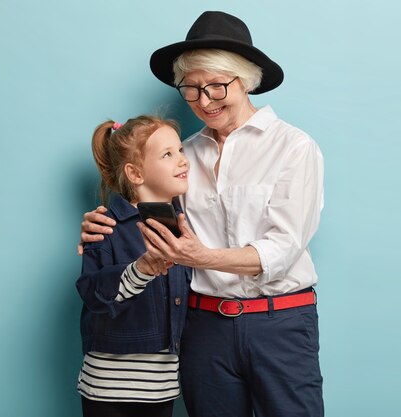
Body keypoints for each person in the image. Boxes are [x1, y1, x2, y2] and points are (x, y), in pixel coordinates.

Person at [79, 11, 325, 417]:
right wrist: (99, 226)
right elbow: (147, 210)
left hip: (280, 323)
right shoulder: (183, 153)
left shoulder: (294, 147)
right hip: (202, 329)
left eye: (216, 86)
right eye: (191, 89)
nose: (203, 101)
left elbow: (282, 248)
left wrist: (201, 257)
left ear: (244, 80)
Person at [76, 115, 191, 417]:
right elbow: (92, 291)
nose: (183, 160)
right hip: (109, 386)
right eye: (168, 154)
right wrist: (141, 270)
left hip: (161, 386)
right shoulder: (104, 227)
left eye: (180, 150)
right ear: (135, 173)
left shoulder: (184, 224)